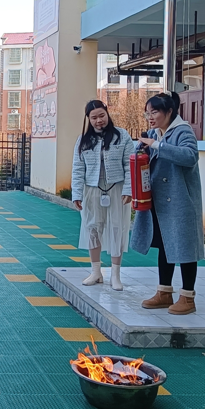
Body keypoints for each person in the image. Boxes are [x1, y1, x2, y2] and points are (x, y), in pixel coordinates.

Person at [131, 91, 204, 316]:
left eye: (155, 112)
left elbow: (190, 156)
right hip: (160, 201)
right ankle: (164, 292)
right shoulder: (155, 132)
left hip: (180, 200)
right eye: (148, 113)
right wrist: (142, 148)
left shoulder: (183, 131)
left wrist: (157, 145)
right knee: (165, 245)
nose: (150, 117)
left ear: (169, 112)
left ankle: (188, 296)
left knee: (184, 249)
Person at [71, 100, 134, 291]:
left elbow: (129, 165)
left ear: (107, 114)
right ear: (88, 119)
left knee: (117, 227)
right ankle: (96, 272)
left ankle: (115, 275)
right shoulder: (83, 140)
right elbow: (78, 168)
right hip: (92, 188)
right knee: (93, 227)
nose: (99, 121)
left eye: (101, 116)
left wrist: (128, 189)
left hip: (117, 188)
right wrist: (77, 194)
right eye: (94, 117)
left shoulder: (122, 136)